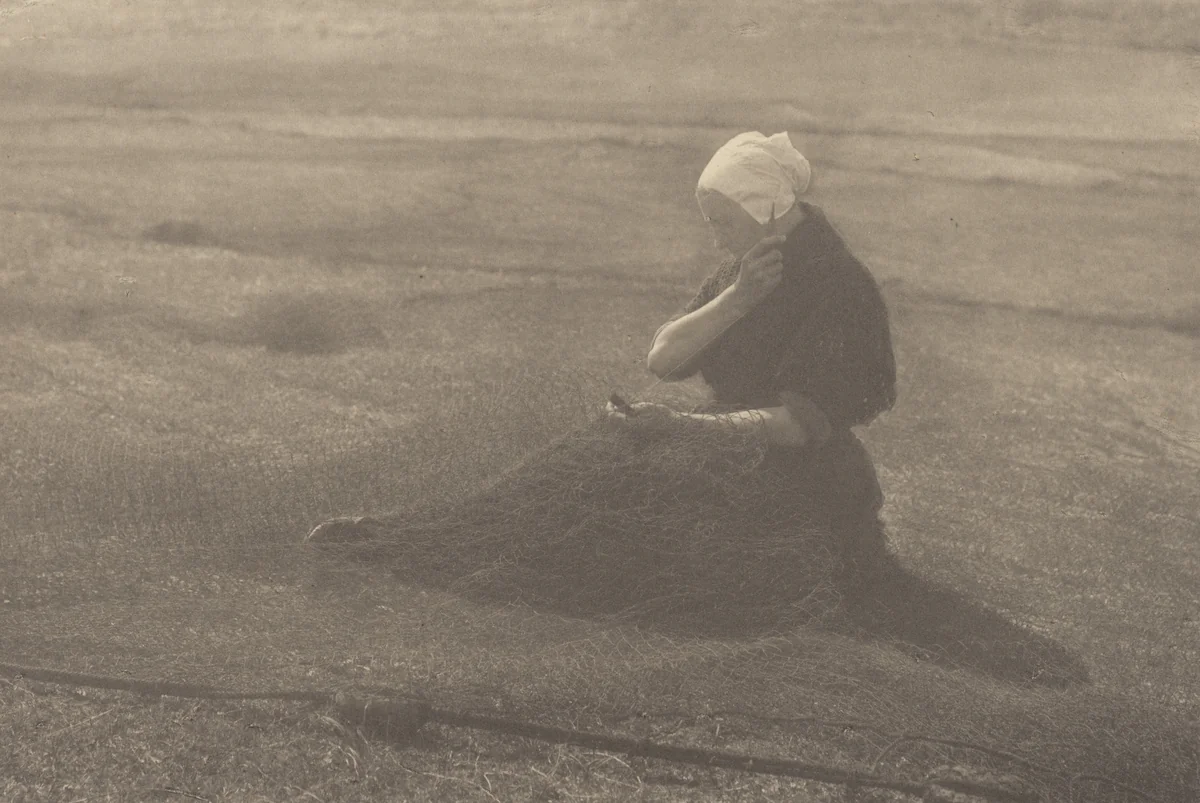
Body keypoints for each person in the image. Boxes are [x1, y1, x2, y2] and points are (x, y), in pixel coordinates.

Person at [608, 131, 897, 586]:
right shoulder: (746, 269)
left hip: (806, 484)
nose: (718, 242)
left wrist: (679, 426)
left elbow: (801, 425)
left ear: (765, 208)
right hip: (728, 454)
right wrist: (735, 302)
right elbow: (662, 361)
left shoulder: (841, 286)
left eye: (722, 223)